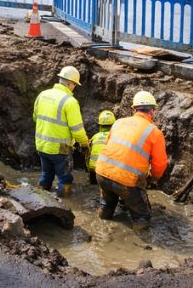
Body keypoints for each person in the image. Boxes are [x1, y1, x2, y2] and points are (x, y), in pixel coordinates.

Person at [95, 91, 169, 230]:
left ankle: (102, 222)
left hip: (102, 173)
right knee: (142, 216)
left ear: (134, 109)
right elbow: (160, 164)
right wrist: (153, 178)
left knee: (107, 204)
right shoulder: (154, 132)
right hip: (127, 181)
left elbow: (110, 146)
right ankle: (136, 247)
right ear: (152, 111)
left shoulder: (118, 122)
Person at [33, 66, 89, 197]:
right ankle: (65, 204)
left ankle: (40, 200)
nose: (74, 87)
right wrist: (85, 144)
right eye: (75, 84)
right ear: (70, 83)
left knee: (46, 174)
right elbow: (77, 130)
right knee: (65, 178)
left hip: (41, 145)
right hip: (60, 149)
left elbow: (35, 117)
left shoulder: (42, 95)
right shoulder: (70, 102)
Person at [87, 110, 116, 185]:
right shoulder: (115, 138)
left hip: (93, 170)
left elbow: (88, 154)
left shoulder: (94, 137)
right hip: (107, 171)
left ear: (100, 125)